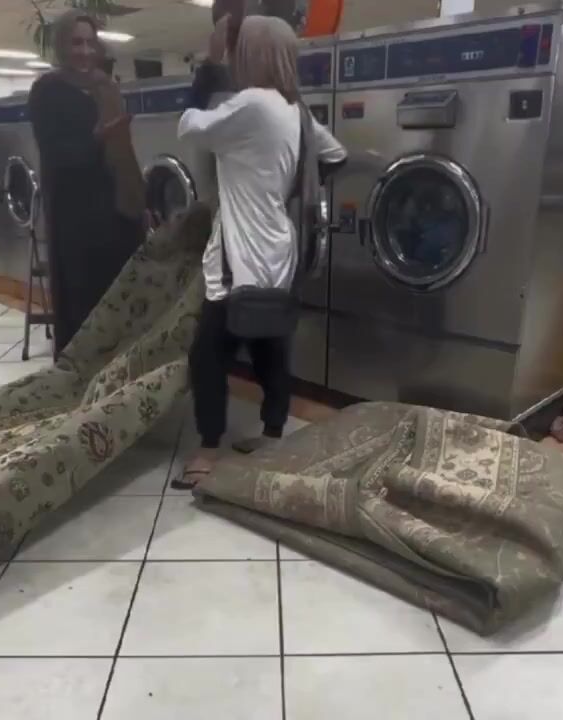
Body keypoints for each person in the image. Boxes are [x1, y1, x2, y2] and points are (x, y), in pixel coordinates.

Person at [172, 14, 347, 489]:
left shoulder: (250, 104)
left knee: (208, 355)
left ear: (249, 54)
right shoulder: (297, 111)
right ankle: (272, 433)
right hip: (279, 246)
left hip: (241, 250)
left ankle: (209, 449)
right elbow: (336, 156)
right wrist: (285, 187)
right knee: (270, 345)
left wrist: (207, 67)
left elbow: (189, 126)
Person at [28, 10, 145, 357]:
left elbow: (124, 152)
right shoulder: (47, 91)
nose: (85, 51)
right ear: (62, 46)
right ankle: (80, 376)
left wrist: (141, 203)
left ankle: (116, 375)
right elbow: (54, 154)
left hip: (117, 213)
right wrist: (96, 139)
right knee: (83, 303)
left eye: (90, 42)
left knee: (118, 299)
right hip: (76, 218)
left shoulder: (105, 86)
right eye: (76, 42)